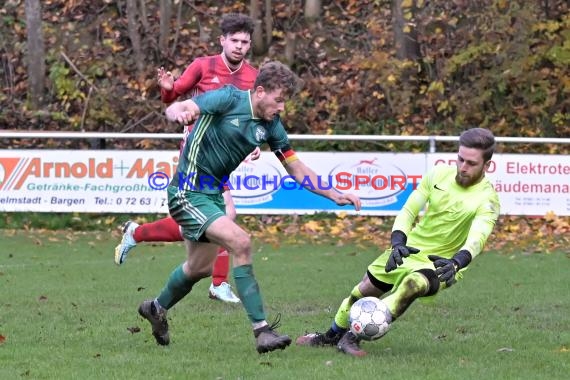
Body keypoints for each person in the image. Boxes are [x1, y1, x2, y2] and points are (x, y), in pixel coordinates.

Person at [137, 61, 362, 353]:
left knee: (199, 268)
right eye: (278, 99)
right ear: (259, 92)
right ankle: (262, 330)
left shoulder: (272, 127)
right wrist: (183, 111)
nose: (282, 107)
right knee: (241, 242)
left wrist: (333, 194)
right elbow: (175, 109)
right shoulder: (228, 98)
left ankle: (156, 308)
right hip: (187, 191)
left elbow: (297, 169)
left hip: (213, 195)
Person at [296, 127, 500, 357]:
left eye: (471, 163)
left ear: (487, 165)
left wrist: (457, 262)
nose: (463, 167)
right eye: (460, 159)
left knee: (413, 285)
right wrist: (397, 242)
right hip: (410, 248)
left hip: (442, 263)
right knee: (362, 291)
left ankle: (351, 338)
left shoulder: (488, 199)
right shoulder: (438, 174)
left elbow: (477, 239)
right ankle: (331, 336)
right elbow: (409, 210)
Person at [114, 13, 258, 304]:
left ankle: (137, 232)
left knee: (198, 224)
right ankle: (218, 283)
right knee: (225, 215)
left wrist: (253, 141)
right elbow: (173, 99)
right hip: (196, 153)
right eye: (234, 40)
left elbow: (252, 115)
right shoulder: (202, 66)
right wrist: (168, 89)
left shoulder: (253, 76)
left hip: (224, 155)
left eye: (245, 41)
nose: (239, 46)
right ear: (223, 40)